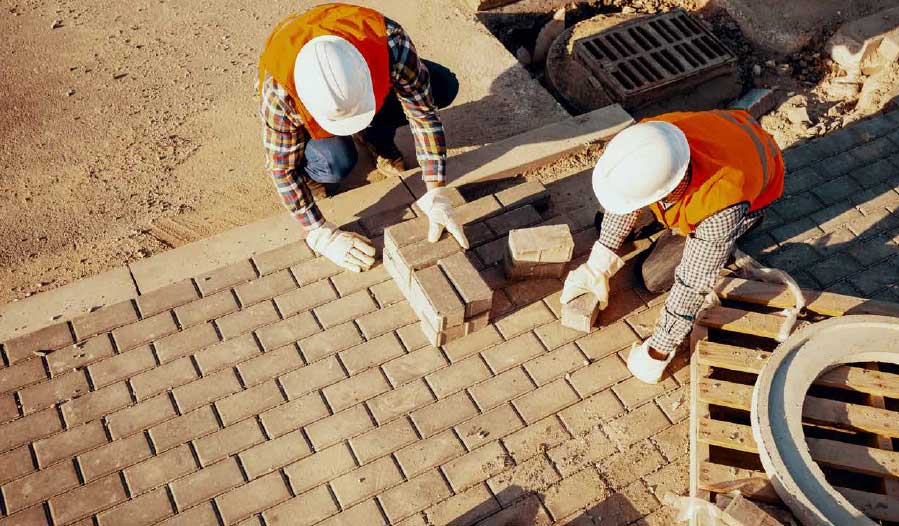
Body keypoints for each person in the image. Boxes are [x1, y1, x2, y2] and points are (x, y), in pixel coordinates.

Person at [561, 110, 784, 384]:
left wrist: (660, 348)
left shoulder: (721, 205)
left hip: (750, 189)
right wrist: (598, 264)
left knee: (653, 277)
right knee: (610, 218)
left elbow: (694, 282)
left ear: (668, 190)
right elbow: (624, 200)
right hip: (728, 141)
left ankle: (744, 226)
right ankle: (670, 219)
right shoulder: (650, 139)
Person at [258, 3, 468, 273]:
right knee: (336, 163)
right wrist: (319, 232)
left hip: (369, 71)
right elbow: (281, 167)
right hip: (302, 95)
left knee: (442, 86)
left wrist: (436, 190)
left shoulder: (389, 42)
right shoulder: (279, 91)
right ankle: (312, 173)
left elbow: (424, 115)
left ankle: (375, 136)